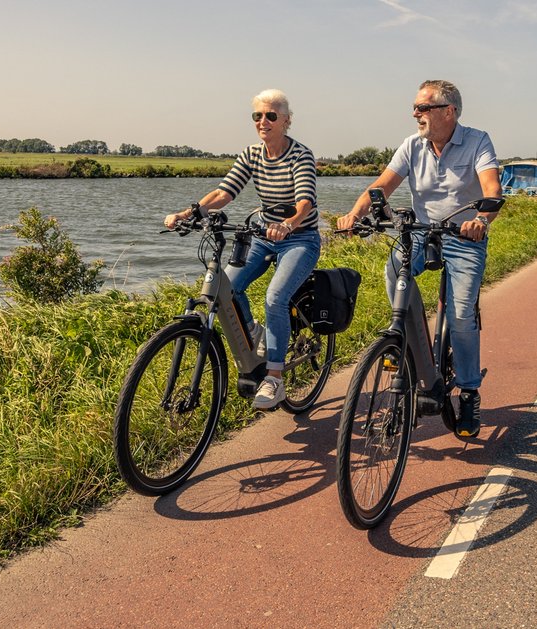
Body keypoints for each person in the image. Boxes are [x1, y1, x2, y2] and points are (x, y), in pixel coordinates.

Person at [336, 80, 502, 438]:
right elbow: (381, 186)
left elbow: (492, 189)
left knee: (461, 316)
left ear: (448, 111)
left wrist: (481, 220)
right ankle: (410, 344)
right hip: (421, 233)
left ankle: (469, 392)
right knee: (394, 269)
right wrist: (355, 214)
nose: (415, 114)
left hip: (464, 237)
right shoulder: (412, 145)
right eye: (415, 107)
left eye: (423, 107)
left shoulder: (477, 141)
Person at [164, 89, 320, 410]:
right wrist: (189, 213)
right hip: (262, 234)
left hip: (300, 237)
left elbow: (305, 201)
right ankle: (254, 332)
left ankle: (274, 378)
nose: (263, 121)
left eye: (271, 116)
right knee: (227, 287)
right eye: (257, 116)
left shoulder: (300, 155)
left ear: (286, 121)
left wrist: (288, 224)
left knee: (275, 297)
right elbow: (225, 192)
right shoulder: (252, 154)